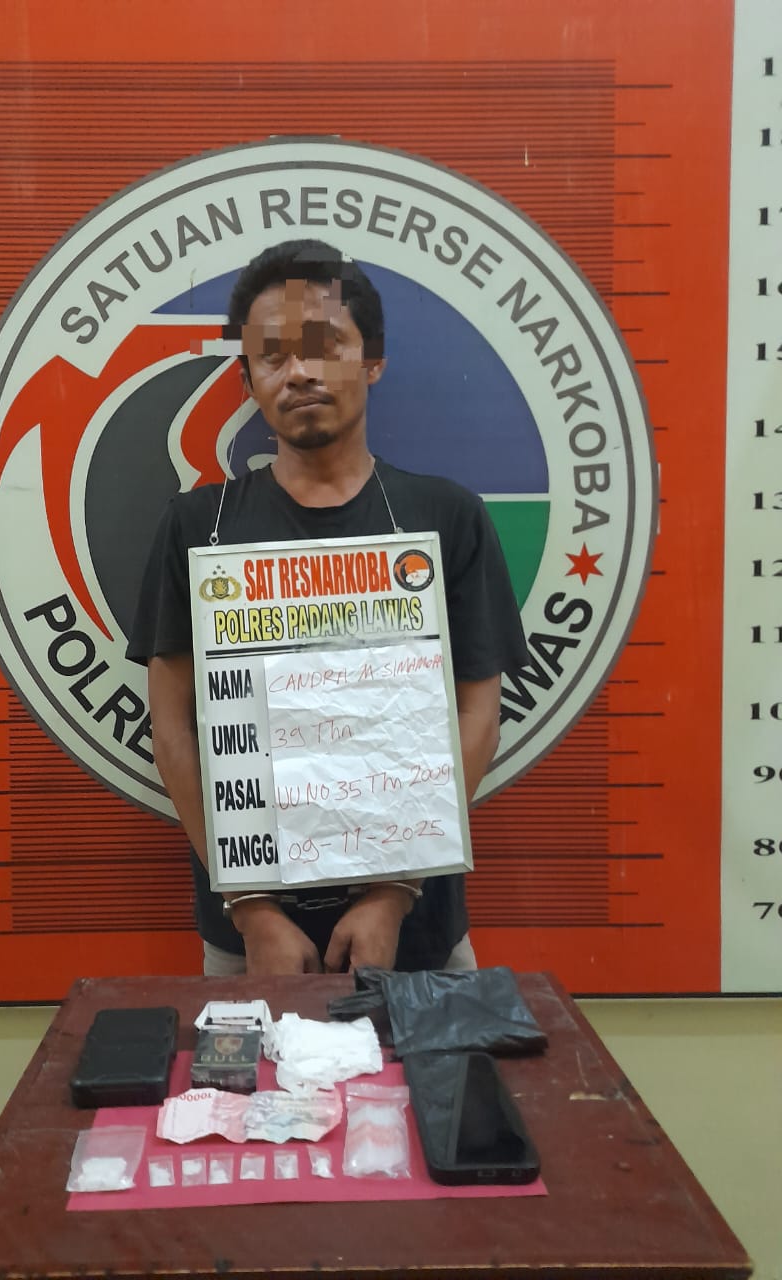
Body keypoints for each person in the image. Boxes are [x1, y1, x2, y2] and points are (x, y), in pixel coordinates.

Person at [127, 239, 527, 977]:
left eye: (325, 345)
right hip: (250, 941)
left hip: (419, 930)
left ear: (372, 360)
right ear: (248, 381)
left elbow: (478, 714)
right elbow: (174, 727)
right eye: (271, 357)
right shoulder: (196, 528)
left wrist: (394, 894)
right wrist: (252, 909)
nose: (300, 372)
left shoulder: (447, 518)